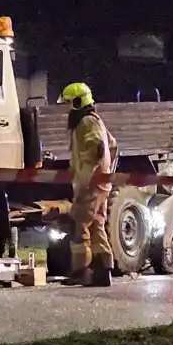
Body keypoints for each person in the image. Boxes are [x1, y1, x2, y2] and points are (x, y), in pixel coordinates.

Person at [58, 82, 116, 287]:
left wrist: (87, 178)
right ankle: (103, 270)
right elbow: (112, 145)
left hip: (90, 184)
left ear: (78, 101)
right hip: (99, 183)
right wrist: (107, 172)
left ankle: (81, 271)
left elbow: (98, 148)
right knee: (97, 226)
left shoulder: (86, 122)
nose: (67, 108)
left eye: (69, 103)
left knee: (78, 224)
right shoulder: (94, 120)